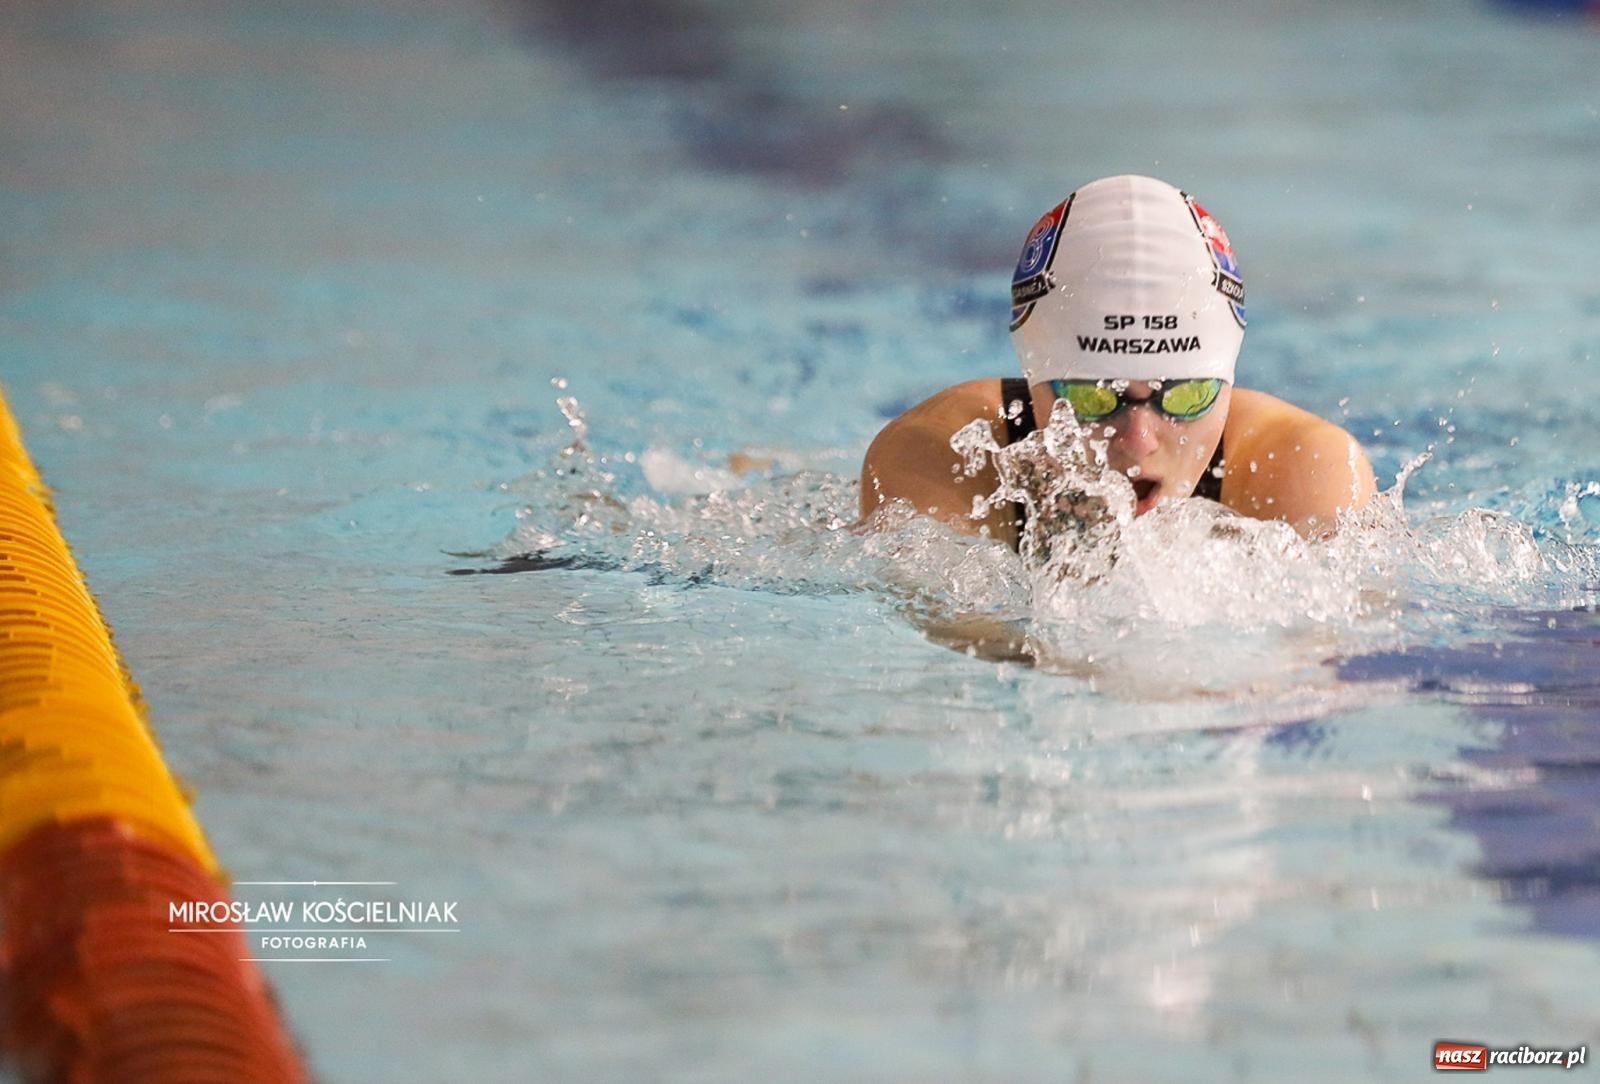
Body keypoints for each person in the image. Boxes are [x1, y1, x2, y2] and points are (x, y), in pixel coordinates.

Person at [859, 175, 1375, 551]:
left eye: (1186, 394)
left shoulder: (1308, 473)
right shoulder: (934, 461)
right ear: (1035, 379)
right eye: (1092, 398)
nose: (1138, 441)